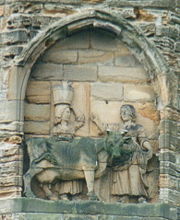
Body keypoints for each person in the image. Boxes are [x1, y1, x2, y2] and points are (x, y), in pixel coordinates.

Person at [111, 104, 152, 203]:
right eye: (121, 112)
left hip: (134, 153)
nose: (123, 114)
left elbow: (142, 139)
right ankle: (124, 195)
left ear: (132, 113)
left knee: (135, 174)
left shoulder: (137, 127)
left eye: (126, 111)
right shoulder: (118, 128)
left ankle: (140, 196)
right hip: (122, 154)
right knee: (123, 175)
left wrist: (149, 147)